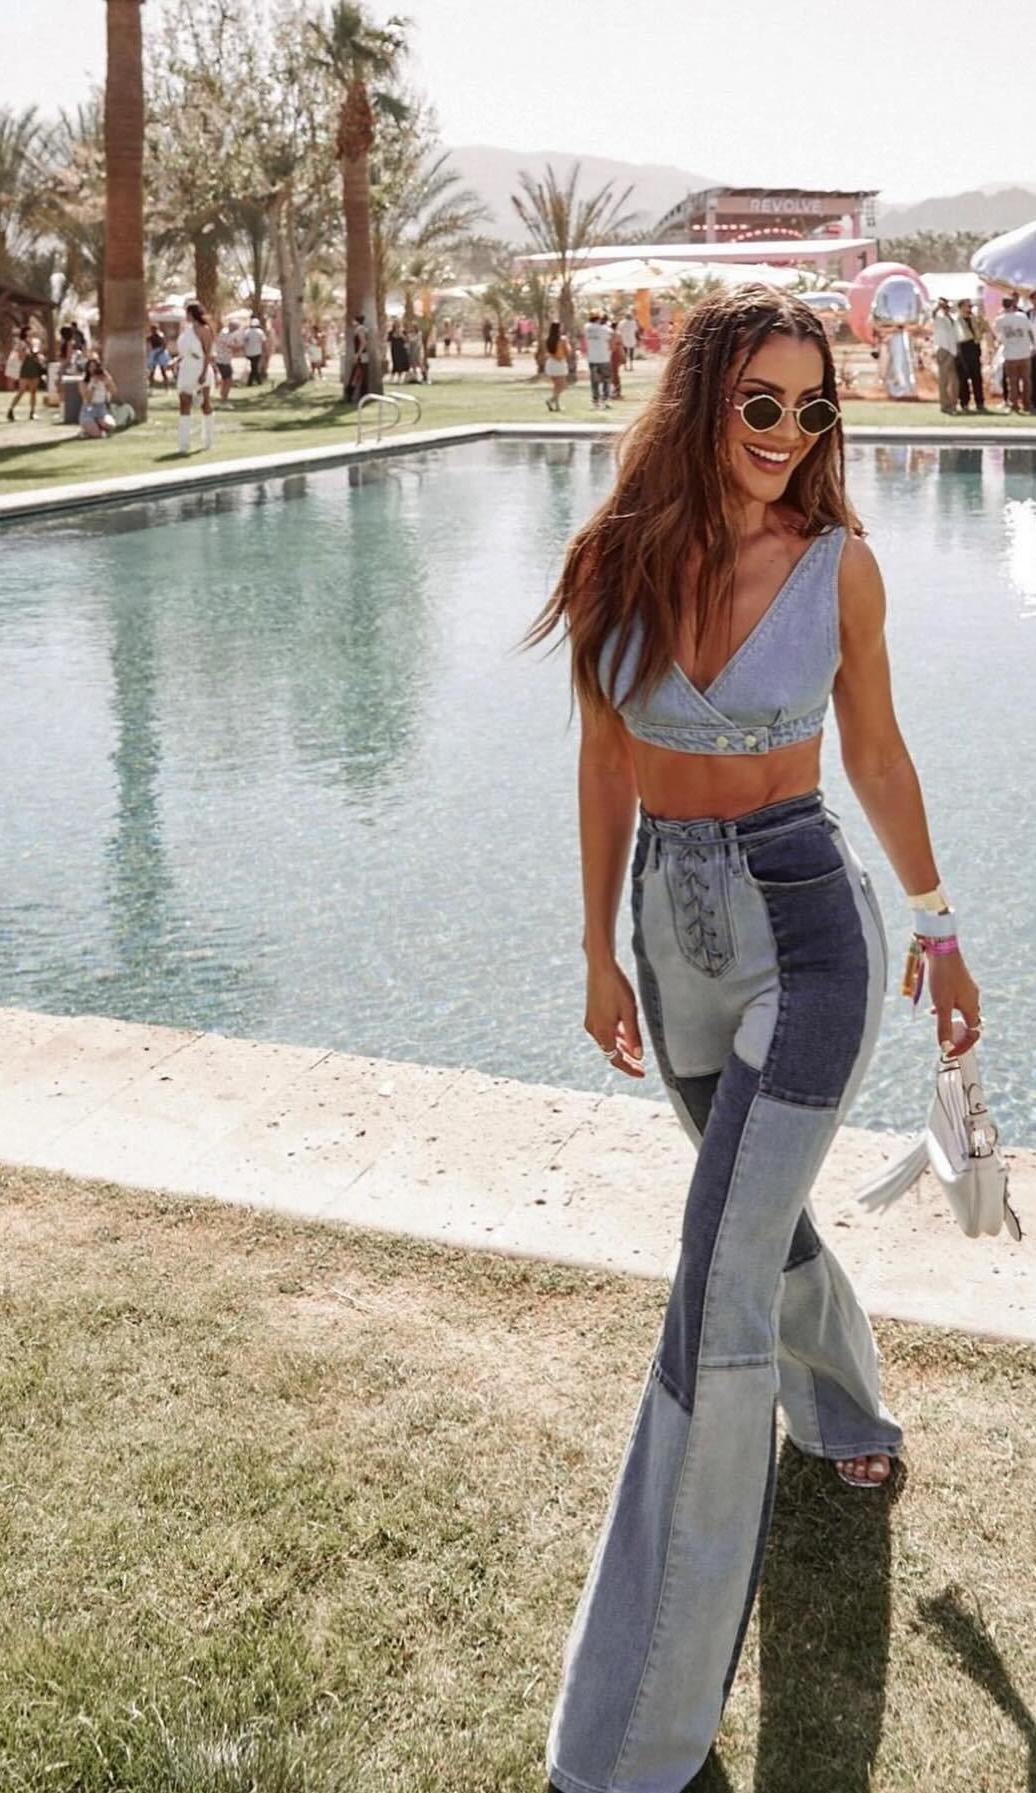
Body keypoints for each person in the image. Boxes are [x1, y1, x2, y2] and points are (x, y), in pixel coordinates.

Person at [522, 285, 981, 1793]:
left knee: (714, 1272)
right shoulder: (611, 558)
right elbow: (604, 762)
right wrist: (596, 949)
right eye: (760, 403)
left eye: (811, 406)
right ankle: (844, 1408)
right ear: (703, 399)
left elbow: (875, 752)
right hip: (672, 937)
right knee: (754, 1219)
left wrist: (938, 928)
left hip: (809, 931)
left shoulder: (838, 566)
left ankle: (634, 1724)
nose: (788, 432)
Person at [175, 300, 215, 453]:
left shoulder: (204, 330)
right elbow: (185, 352)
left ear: (192, 314)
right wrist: (176, 361)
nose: (186, 316)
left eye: (187, 313)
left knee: (205, 404)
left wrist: (203, 373)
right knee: (184, 404)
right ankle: (184, 445)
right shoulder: (187, 330)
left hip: (200, 368)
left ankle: (208, 441)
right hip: (186, 369)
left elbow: (207, 353)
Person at [992, 294, 1035, 413]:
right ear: (1013, 304)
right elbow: (1030, 332)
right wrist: (1032, 345)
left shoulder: (1000, 319)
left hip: (1010, 354)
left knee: (1012, 381)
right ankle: (1027, 404)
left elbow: (996, 334)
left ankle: (1014, 404)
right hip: (1024, 353)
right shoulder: (1022, 316)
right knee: (1026, 381)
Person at [6, 330, 45, 422]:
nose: (32, 333)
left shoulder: (36, 342)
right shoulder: (21, 343)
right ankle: (11, 410)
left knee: (34, 391)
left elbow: (40, 353)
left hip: (35, 368)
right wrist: (25, 351)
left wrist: (39, 356)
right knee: (21, 390)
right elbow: (20, 357)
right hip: (24, 369)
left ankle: (32, 412)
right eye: (30, 332)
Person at [954, 298, 986, 413]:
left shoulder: (974, 319)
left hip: (974, 349)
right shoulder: (956, 320)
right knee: (963, 379)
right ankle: (964, 403)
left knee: (977, 378)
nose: (970, 308)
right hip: (962, 350)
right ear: (961, 307)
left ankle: (980, 403)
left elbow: (983, 330)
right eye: (968, 306)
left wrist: (981, 318)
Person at [930, 297, 959, 413]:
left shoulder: (953, 318)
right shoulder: (939, 318)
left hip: (953, 350)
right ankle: (945, 405)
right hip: (943, 349)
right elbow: (932, 315)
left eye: (948, 307)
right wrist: (938, 307)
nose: (947, 309)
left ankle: (953, 404)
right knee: (943, 380)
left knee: (954, 380)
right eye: (945, 307)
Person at [78, 356, 118, 437]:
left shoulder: (103, 378)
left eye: (95, 366)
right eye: (90, 367)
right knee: (97, 434)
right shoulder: (84, 381)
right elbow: (88, 399)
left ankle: (98, 424)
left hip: (101, 408)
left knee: (111, 425)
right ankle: (89, 429)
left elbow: (114, 392)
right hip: (88, 409)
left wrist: (109, 380)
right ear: (87, 368)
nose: (93, 369)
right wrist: (93, 385)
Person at [583, 310, 613, 410]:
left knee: (594, 381)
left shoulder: (586, 327)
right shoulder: (604, 329)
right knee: (606, 380)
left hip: (592, 358)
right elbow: (612, 335)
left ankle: (595, 402)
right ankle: (605, 401)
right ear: (599, 318)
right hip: (604, 357)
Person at [544, 319, 569, 411]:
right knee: (563, 385)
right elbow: (567, 352)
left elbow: (548, 352)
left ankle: (557, 406)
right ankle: (551, 400)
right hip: (560, 363)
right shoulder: (563, 339)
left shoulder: (548, 339)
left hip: (550, 363)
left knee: (556, 386)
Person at [213, 319, 238, 401]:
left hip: (225, 359)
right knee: (228, 379)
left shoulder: (229, 334)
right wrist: (239, 347)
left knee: (226, 378)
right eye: (235, 327)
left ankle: (223, 394)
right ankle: (224, 396)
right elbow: (229, 345)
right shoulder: (225, 333)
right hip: (222, 360)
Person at [346, 313, 368, 402]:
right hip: (362, 355)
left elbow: (363, 343)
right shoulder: (362, 329)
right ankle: (352, 393)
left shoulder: (360, 329)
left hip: (361, 355)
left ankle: (351, 393)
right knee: (359, 374)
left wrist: (357, 354)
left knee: (358, 373)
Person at [242, 315, 266, 386]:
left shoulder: (247, 332)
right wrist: (265, 351)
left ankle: (254, 382)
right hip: (257, 352)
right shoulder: (260, 332)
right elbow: (263, 341)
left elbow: (245, 342)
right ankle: (254, 382)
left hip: (249, 352)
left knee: (254, 367)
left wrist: (244, 351)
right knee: (254, 367)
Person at [388, 318, 411, 383]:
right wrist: (394, 336)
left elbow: (407, 339)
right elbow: (389, 340)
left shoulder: (403, 331)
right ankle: (392, 378)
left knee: (401, 363)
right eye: (396, 324)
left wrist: (401, 335)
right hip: (394, 349)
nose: (397, 325)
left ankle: (400, 378)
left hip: (401, 349)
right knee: (395, 362)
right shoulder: (391, 332)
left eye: (398, 324)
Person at [608, 318, 626, 398]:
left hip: (615, 354)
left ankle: (616, 391)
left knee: (614, 373)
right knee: (614, 373)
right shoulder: (617, 333)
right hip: (615, 354)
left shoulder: (615, 334)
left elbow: (616, 346)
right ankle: (615, 390)